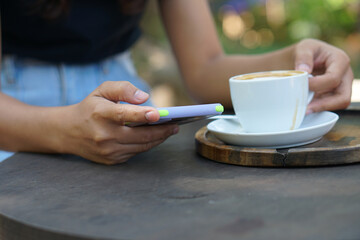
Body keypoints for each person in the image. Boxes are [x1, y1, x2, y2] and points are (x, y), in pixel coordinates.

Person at [0, 0, 353, 165]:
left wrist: (296, 61)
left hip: (122, 109)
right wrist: (64, 130)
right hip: (15, 115)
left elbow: (205, 67)